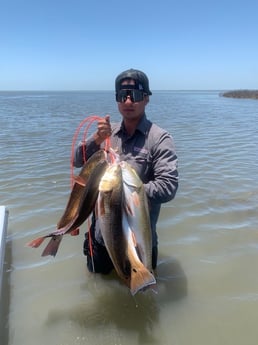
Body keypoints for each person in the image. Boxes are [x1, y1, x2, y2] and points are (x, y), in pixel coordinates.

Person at [74, 68, 178, 274]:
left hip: (138, 241)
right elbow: (77, 160)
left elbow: (168, 187)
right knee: (100, 288)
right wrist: (96, 140)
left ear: (147, 98)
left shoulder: (159, 138)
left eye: (136, 95)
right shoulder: (106, 133)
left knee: (142, 293)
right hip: (101, 236)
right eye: (123, 95)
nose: (129, 101)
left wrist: (124, 191)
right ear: (117, 99)